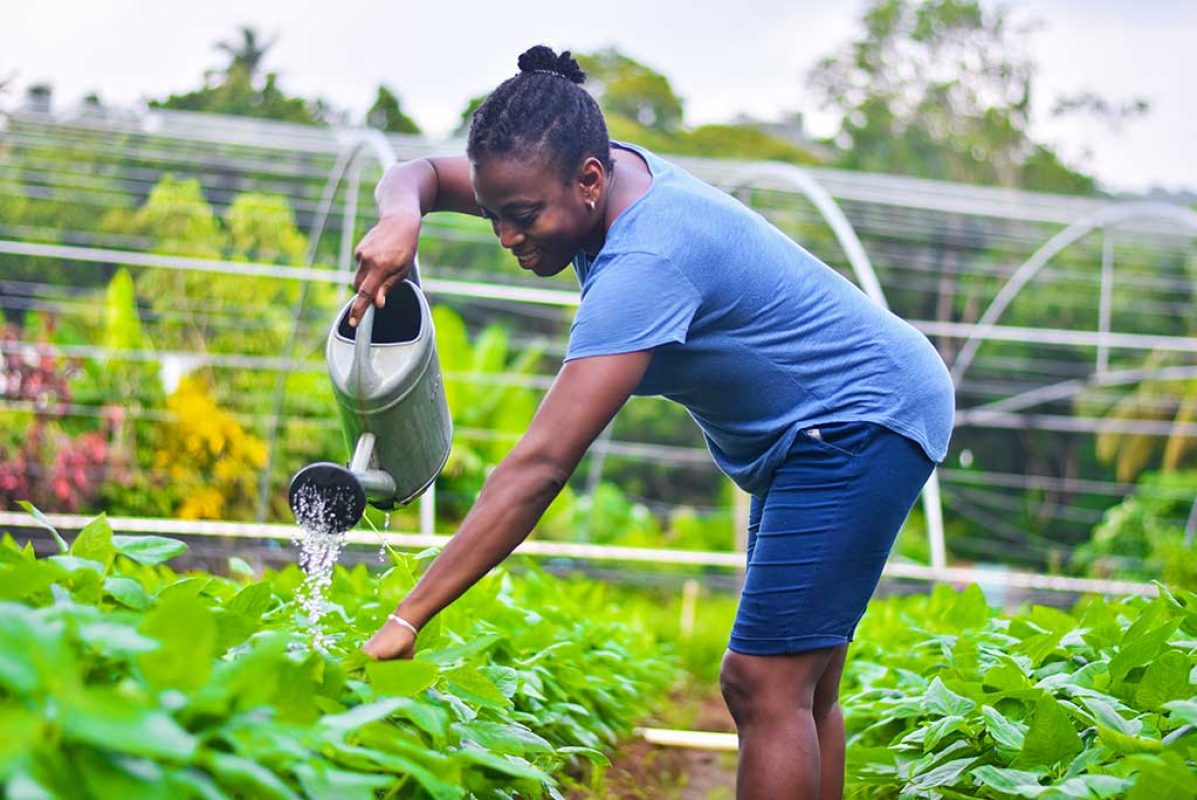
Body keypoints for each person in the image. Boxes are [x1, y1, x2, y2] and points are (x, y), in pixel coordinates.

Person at [353, 45, 954, 800]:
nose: (505, 235)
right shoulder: (564, 177)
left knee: (761, 684)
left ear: (590, 180)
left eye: (520, 217)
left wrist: (408, 616)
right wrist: (399, 216)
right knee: (802, 687)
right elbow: (419, 176)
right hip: (828, 423)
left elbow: (538, 468)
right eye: (494, 213)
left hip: (859, 419)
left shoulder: (647, 260)